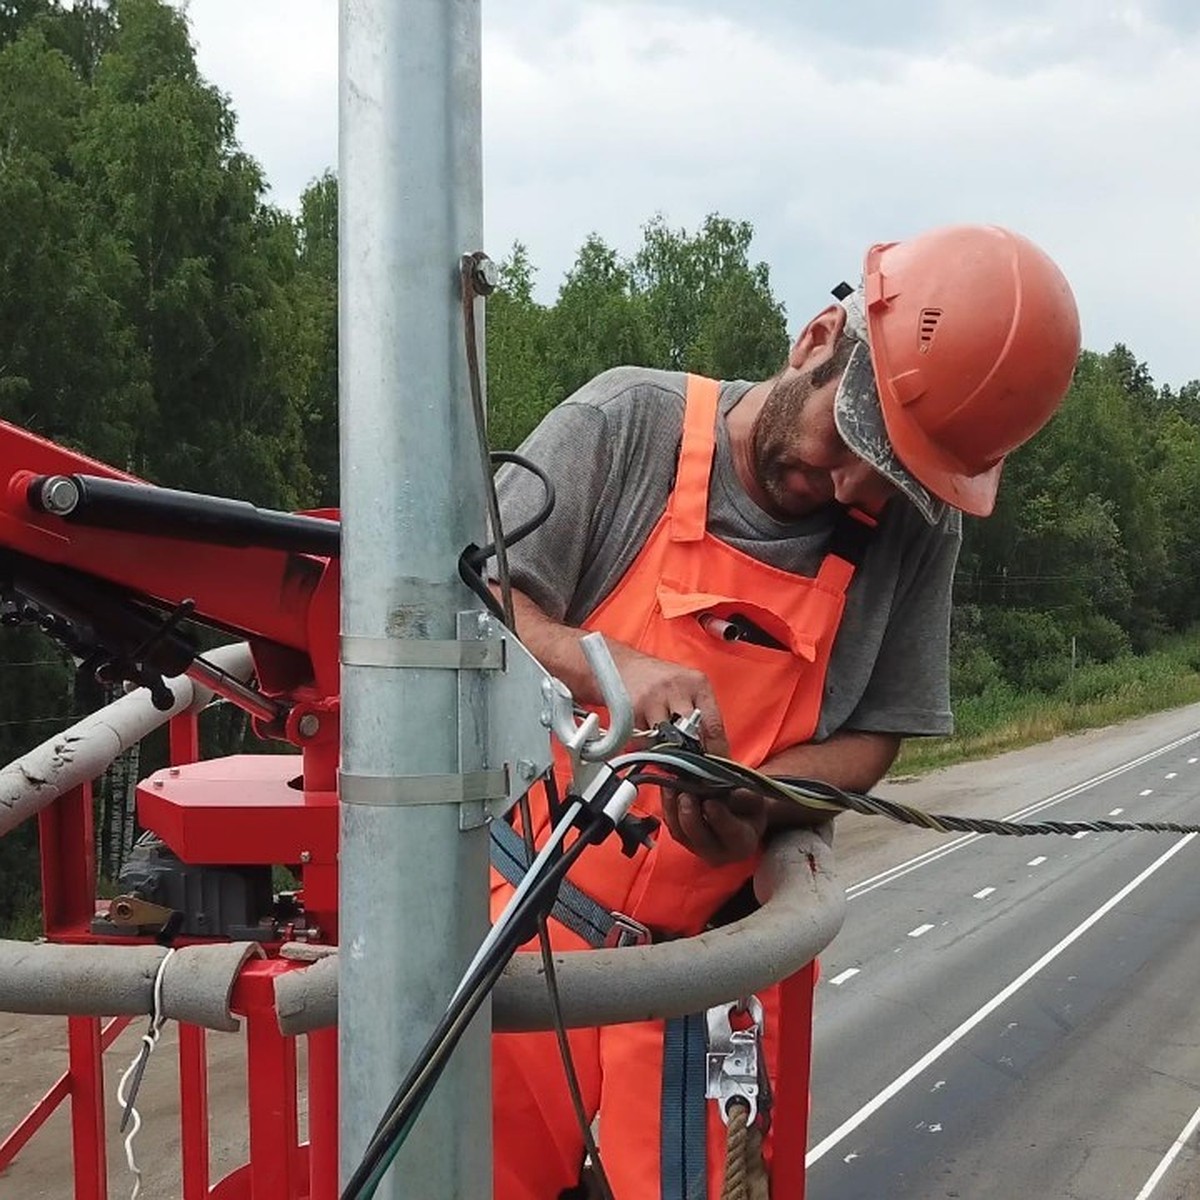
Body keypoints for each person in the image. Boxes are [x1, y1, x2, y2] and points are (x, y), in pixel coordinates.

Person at [489, 223, 1081, 1199]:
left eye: (896, 482)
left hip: (716, 965)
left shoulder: (914, 528)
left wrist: (761, 801)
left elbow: (879, 732)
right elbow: (483, 603)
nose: (852, 491)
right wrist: (612, 668)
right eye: (851, 446)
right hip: (523, 925)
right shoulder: (627, 424)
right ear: (815, 343)